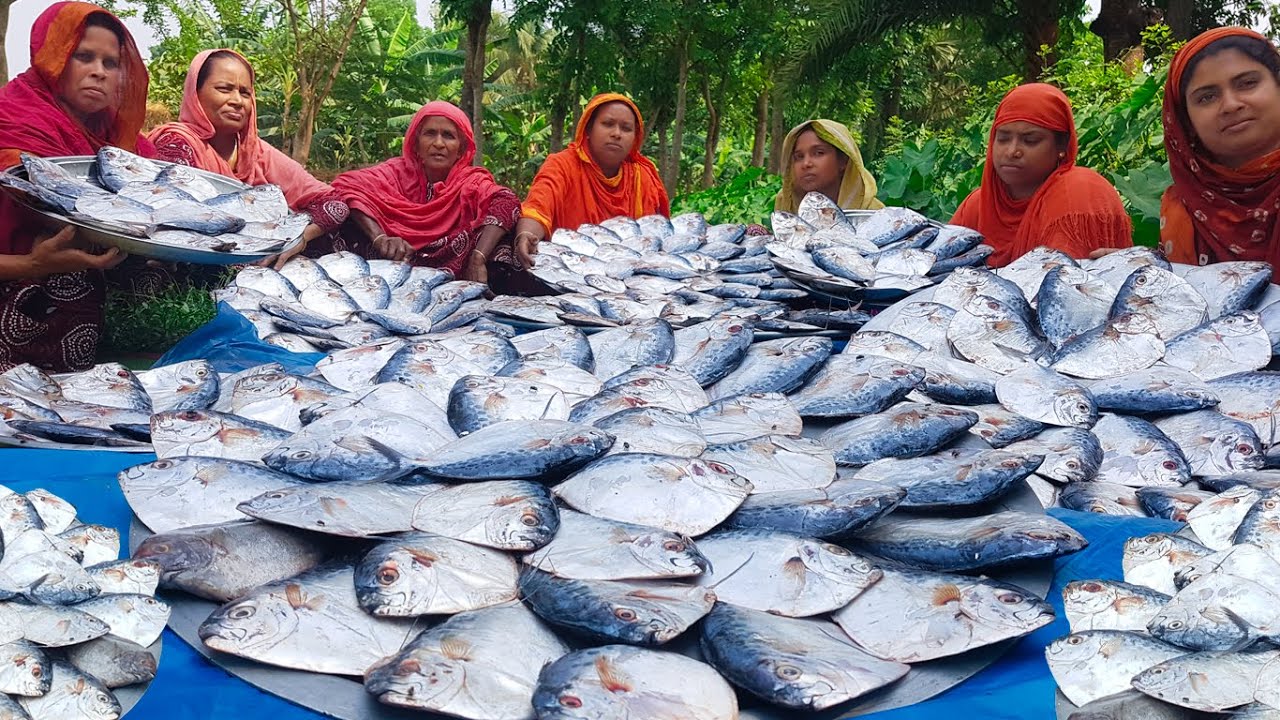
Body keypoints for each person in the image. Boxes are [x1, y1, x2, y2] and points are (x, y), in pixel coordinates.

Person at [0, 2, 150, 372]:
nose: (98, 72)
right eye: (83, 56)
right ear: (53, 58)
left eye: (110, 63)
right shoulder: (11, 121)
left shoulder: (119, 139)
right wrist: (31, 264)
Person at [148, 49, 349, 268]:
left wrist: (298, 238)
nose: (237, 101)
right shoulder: (177, 143)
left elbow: (335, 203)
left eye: (245, 93)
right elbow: (177, 218)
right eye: (224, 89)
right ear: (195, 93)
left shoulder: (257, 152)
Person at [331, 101, 521, 285]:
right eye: (430, 134)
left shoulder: (471, 182)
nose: (438, 143)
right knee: (337, 214)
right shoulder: (395, 173)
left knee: (504, 237)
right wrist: (380, 237)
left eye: (448, 136)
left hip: (453, 265)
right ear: (416, 144)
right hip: (392, 261)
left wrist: (478, 257)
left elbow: (506, 201)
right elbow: (345, 186)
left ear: (461, 149)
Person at [950, 83, 1132, 267]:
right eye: (1003, 138)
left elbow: (1062, 287)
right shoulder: (977, 206)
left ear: (1061, 146)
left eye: (1030, 141)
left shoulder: (1078, 191)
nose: (1012, 151)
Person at [1158, 27, 1280, 266]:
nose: (1231, 105)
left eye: (1247, 83)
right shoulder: (1183, 209)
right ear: (1186, 122)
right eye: (1206, 97)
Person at [514, 93, 669, 268]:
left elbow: (657, 234)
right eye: (608, 124)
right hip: (567, 272)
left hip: (630, 278)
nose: (617, 134)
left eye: (626, 128)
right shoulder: (562, 165)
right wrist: (526, 234)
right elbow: (538, 207)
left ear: (635, 138)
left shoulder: (643, 177)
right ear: (588, 129)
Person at [775, 119, 883, 214]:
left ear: (843, 161)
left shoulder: (874, 214)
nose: (806, 164)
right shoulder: (786, 207)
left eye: (819, 153)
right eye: (799, 157)